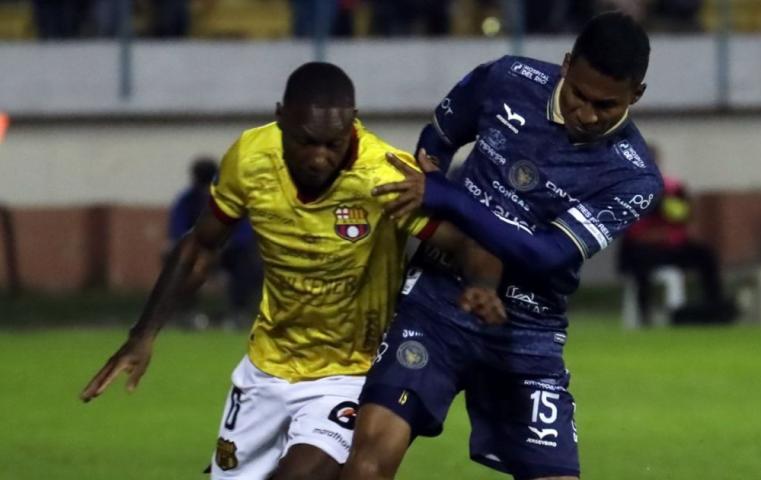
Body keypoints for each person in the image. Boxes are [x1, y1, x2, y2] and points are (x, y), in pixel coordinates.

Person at [79, 62, 504, 480]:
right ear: (281, 117)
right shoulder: (250, 157)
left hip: (348, 373)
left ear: (353, 124)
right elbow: (200, 246)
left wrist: (484, 284)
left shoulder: (384, 175)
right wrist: (143, 335)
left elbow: (469, 241)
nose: (320, 158)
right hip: (265, 370)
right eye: (306, 142)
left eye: (334, 144)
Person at [341, 12, 663, 480]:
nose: (588, 114)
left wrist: (449, 198)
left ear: (637, 95)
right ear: (567, 65)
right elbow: (436, 144)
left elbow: (546, 253)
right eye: (579, 95)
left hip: (528, 329)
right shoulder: (507, 78)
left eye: (607, 105)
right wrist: (433, 192)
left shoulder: (634, 178)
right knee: (368, 463)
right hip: (437, 303)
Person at [618, 144, 734, 325]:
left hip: (670, 245)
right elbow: (630, 229)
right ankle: (644, 316)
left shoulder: (672, 188)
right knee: (641, 265)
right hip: (641, 247)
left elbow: (682, 218)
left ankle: (714, 307)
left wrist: (669, 209)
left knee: (705, 255)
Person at [169, 156, 262, 328]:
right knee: (176, 261)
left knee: (247, 263)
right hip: (197, 251)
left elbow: (245, 232)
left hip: (230, 252)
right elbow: (177, 230)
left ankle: (238, 311)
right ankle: (187, 312)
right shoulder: (186, 201)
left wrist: (222, 247)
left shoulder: (232, 197)